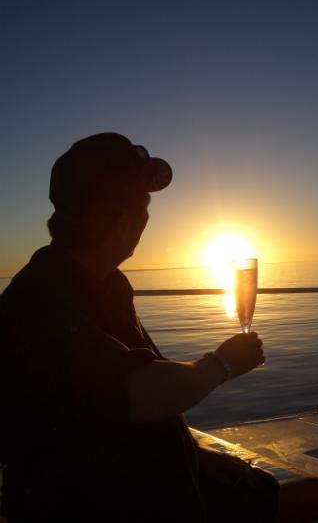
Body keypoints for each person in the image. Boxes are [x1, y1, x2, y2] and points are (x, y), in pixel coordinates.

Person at [0, 133, 280, 522]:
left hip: (130, 477)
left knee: (260, 490)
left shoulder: (109, 284)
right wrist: (222, 363)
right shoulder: (42, 298)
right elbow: (134, 391)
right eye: (144, 207)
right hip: (88, 502)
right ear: (122, 224)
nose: (147, 220)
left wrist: (195, 455)